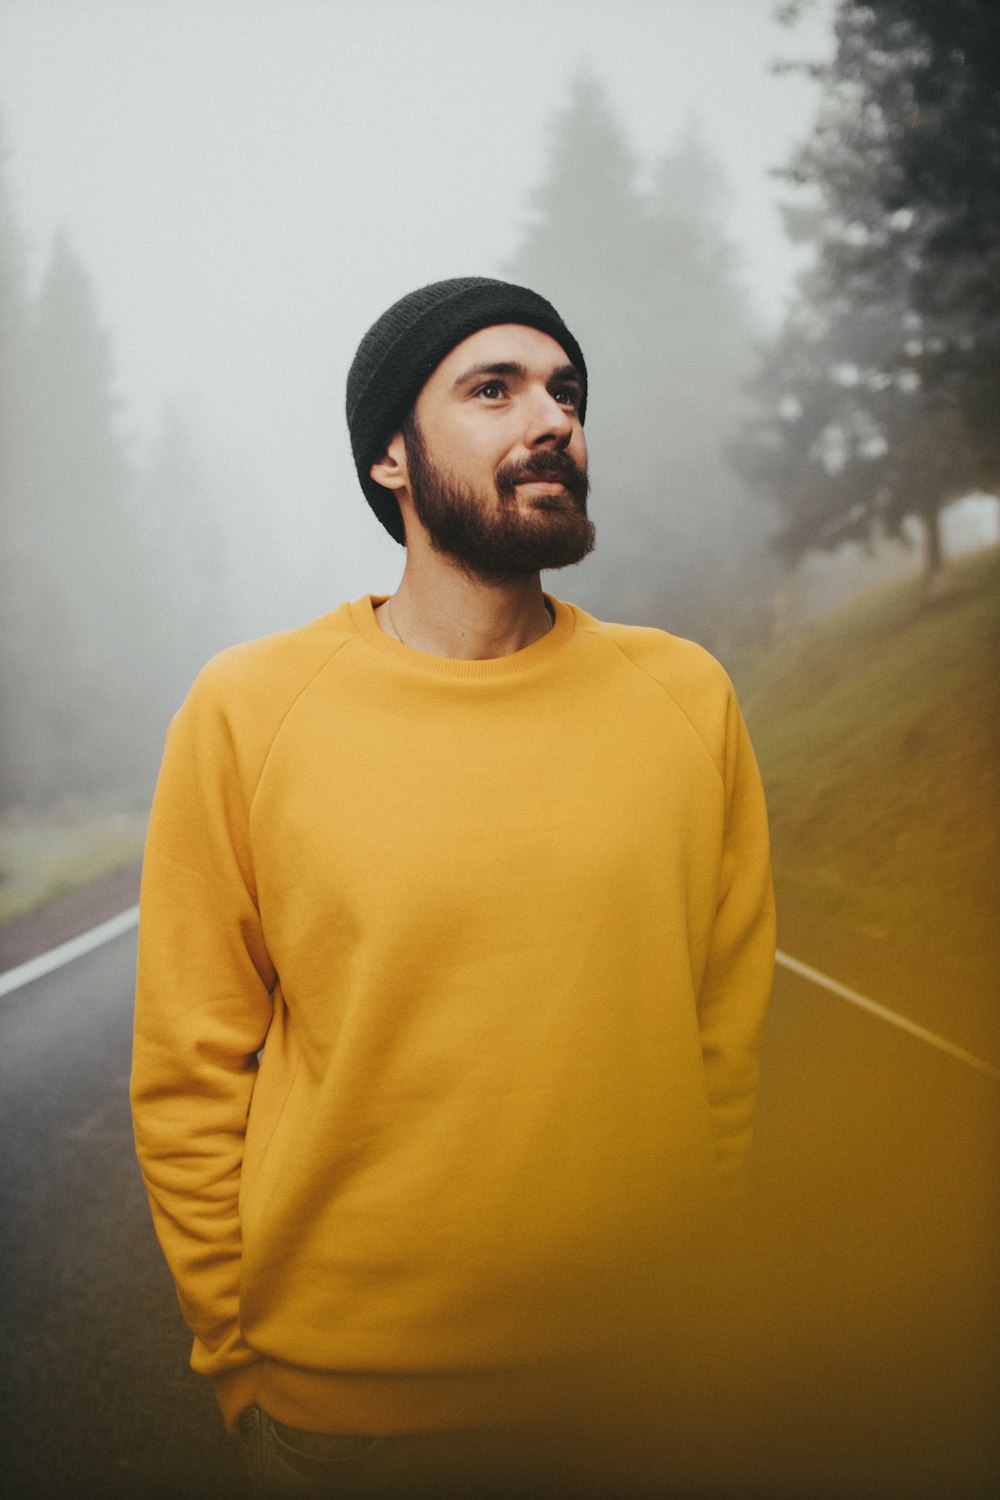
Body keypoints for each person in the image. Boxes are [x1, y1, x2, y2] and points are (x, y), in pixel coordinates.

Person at [130, 276, 775, 1498]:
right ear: (390, 458)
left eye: (566, 391)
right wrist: (239, 1350)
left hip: (654, 1387)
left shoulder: (684, 698)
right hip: (349, 1415)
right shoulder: (251, 710)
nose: (554, 421)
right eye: (494, 389)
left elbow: (724, 1031)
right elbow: (188, 1059)